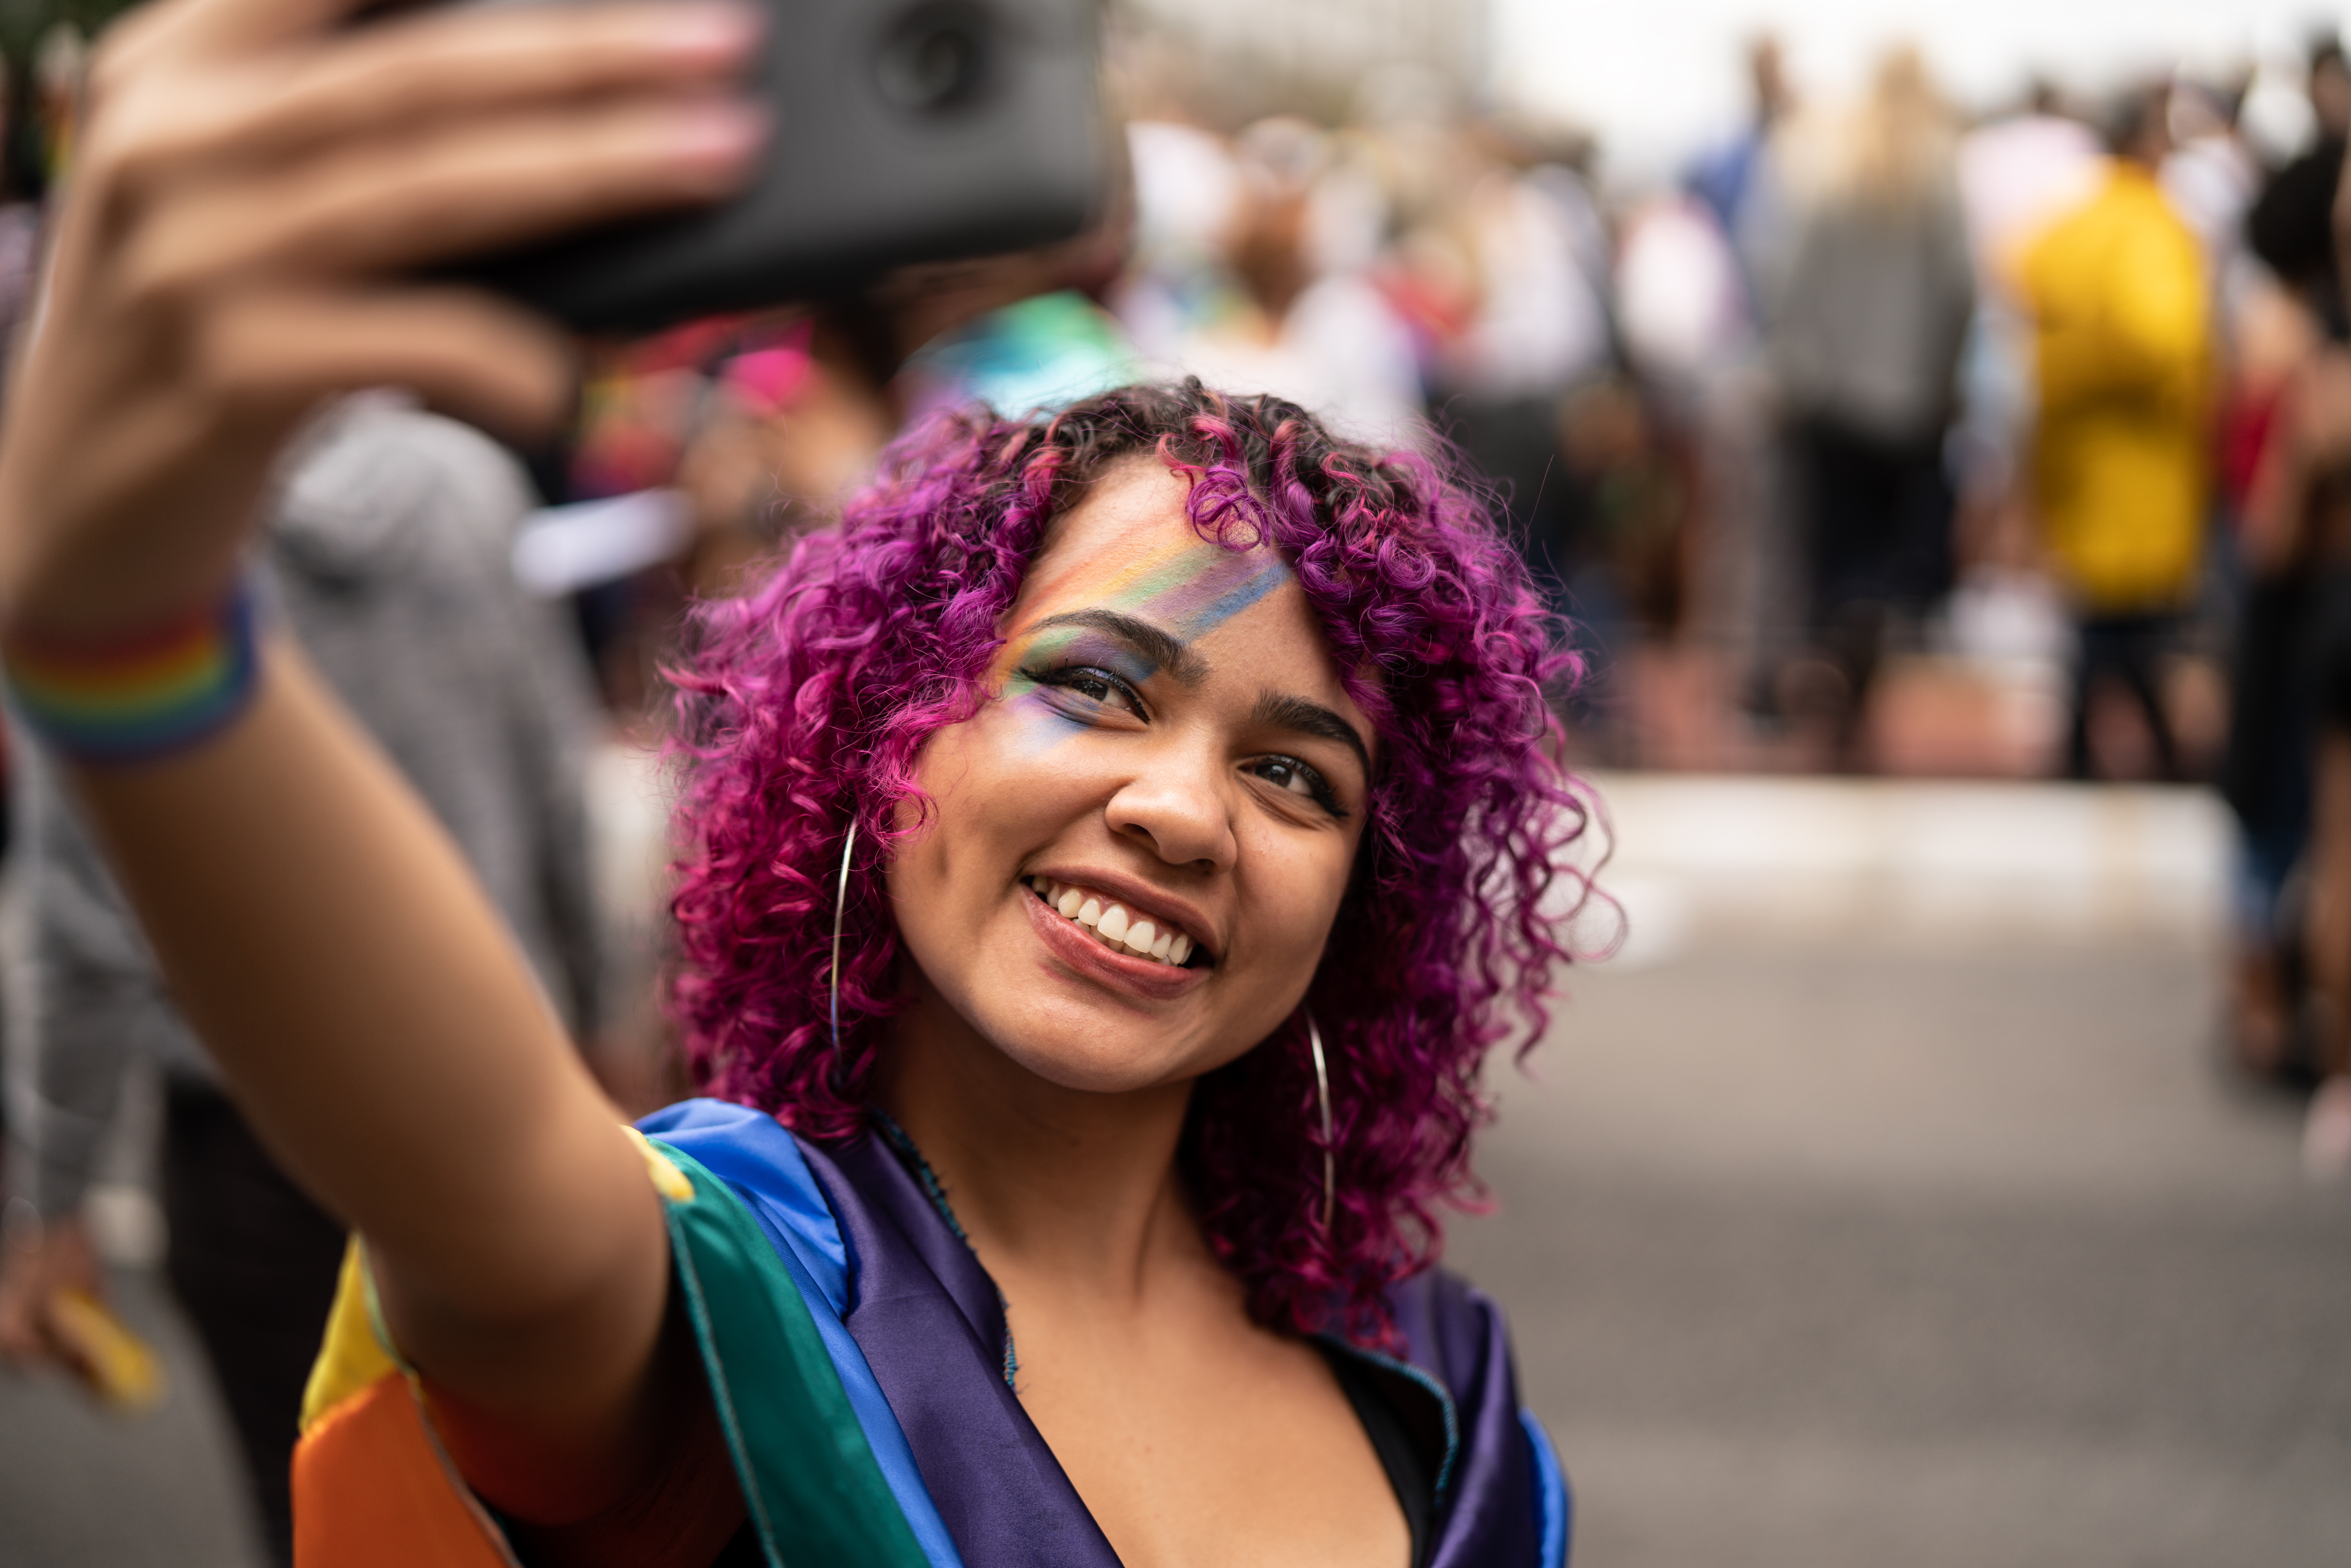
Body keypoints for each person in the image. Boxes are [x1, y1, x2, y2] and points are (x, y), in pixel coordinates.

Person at [0, 1, 1583, 1564]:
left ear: (1369, 894)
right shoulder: (697, 1298)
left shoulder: (1443, 1394)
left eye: (1294, 774)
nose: (1179, 810)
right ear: (889, 734)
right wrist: (131, 637)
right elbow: (463, 1158)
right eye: (1095, 687)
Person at [0, 394, 609, 1566]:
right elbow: (556, 781)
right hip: (501, 1094)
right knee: (545, 1502)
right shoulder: (468, 480)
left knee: (326, 1515)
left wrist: (53, 1199)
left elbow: (81, 923)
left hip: (256, 1137)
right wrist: (601, 1019)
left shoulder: (113, 524)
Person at [1752, 45, 1975, 766]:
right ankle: (1861, 686)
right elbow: (1961, 286)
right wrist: (1944, 377)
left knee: (1835, 559)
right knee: (1888, 559)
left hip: (1834, 401)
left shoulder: (1831, 162)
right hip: (1910, 405)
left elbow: (1790, 277)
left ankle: (1839, 685)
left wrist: (1799, 368)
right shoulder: (1939, 169)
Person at [2018, 85, 2212, 781]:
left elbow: (2023, 281)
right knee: (2124, 627)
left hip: (2074, 458)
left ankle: (2083, 752)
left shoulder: (2068, 224)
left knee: (2099, 623)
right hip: (2139, 463)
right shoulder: (2151, 228)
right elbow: (2160, 336)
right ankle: (2138, 755)